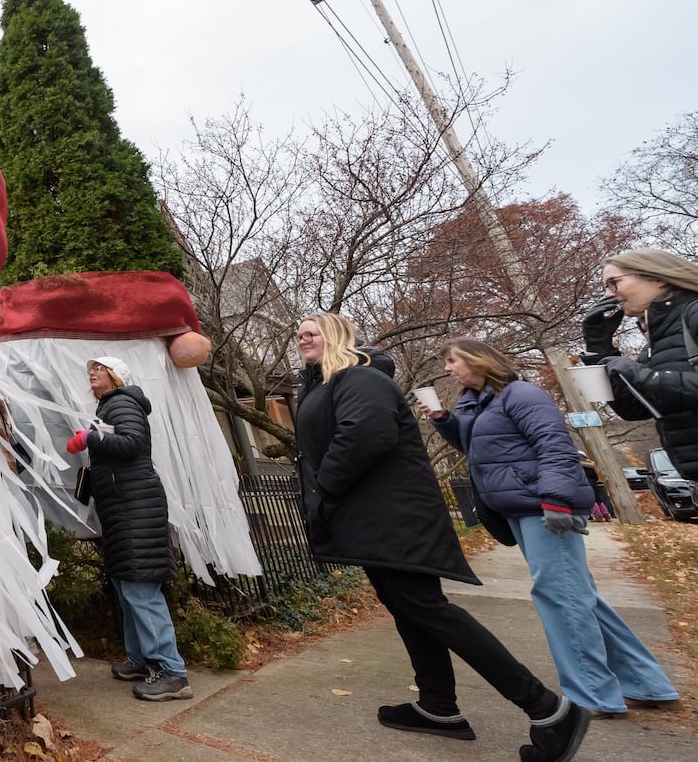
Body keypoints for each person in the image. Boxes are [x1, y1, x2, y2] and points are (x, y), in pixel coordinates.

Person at [293, 313, 590, 762]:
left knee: (428, 609)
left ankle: (548, 709)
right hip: (369, 517)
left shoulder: (359, 377)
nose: (303, 339)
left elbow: (365, 435)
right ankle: (438, 706)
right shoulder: (325, 384)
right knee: (410, 609)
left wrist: (324, 488)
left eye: (312, 332)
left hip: (392, 517)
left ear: (337, 335)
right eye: (299, 335)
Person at [428, 338, 679, 718]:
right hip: (519, 508)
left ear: (478, 360)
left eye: (452, 361)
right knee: (577, 595)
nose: (447, 369)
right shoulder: (477, 403)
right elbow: (477, 450)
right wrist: (444, 420)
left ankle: (592, 696)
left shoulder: (521, 394)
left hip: (543, 507)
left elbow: (554, 446)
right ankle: (646, 683)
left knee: (561, 597)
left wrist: (556, 501)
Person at [66, 356, 191, 702]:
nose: (92, 373)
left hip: (136, 508)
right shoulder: (110, 406)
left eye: (99, 368)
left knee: (140, 589)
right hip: (124, 508)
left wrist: (90, 438)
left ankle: (172, 672)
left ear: (116, 376)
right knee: (127, 586)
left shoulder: (122, 402)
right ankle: (141, 661)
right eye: (90, 369)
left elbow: (132, 442)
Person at [581, 248, 698, 482]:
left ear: (657, 277)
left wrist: (645, 377)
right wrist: (597, 350)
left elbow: (645, 380)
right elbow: (631, 410)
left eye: (613, 283)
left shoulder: (694, 312)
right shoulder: (655, 341)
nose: (608, 295)